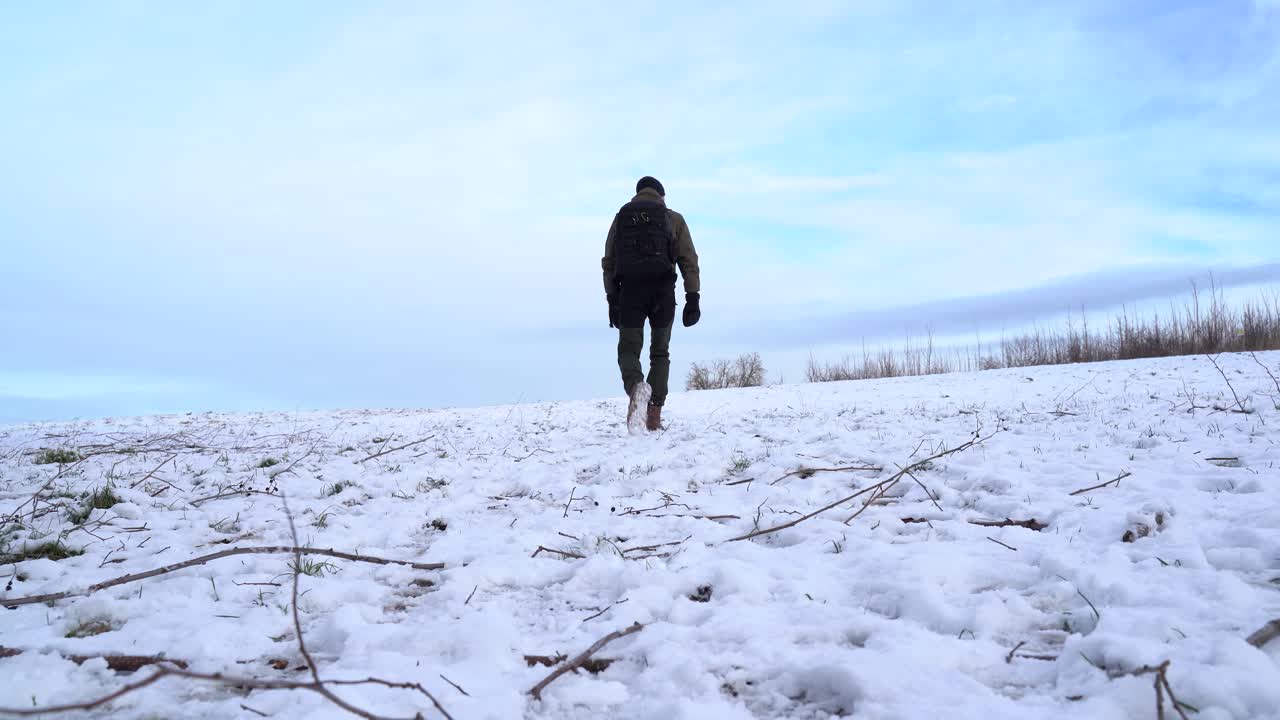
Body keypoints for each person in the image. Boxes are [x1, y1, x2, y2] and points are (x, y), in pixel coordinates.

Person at [601, 176, 701, 432]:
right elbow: (688, 259)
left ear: (638, 194)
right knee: (660, 353)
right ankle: (654, 413)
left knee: (628, 351)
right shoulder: (672, 218)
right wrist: (693, 297)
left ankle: (636, 388)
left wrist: (612, 298)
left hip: (631, 292)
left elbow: (609, 261)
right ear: (661, 195)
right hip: (662, 291)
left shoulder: (621, 217)